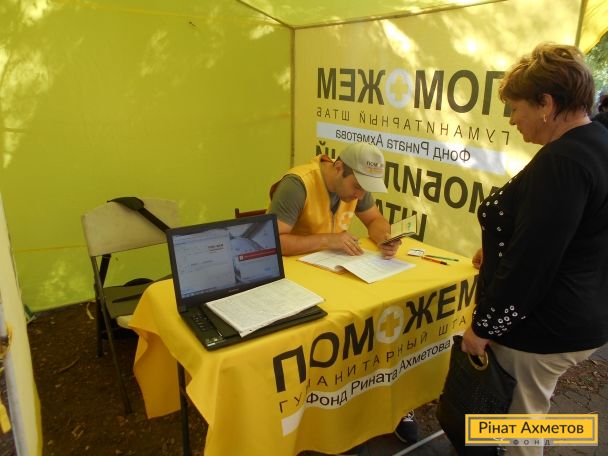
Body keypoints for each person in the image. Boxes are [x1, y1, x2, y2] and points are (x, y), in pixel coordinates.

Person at [462, 43, 608, 456]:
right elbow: (572, 234)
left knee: (520, 427)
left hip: (542, 327)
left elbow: (533, 263)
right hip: (581, 314)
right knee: (528, 414)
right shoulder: (596, 143)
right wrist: (497, 248)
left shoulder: (563, 161)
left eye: (515, 108)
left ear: (546, 103)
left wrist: (483, 328)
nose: (512, 120)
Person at [268, 142, 419, 451]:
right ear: (338, 168)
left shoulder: (357, 186)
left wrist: (385, 237)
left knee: (381, 315)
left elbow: (375, 220)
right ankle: (317, 415)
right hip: (298, 285)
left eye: (365, 189)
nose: (359, 195)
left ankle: (383, 401)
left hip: (338, 277)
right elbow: (272, 241)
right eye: (357, 186)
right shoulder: (297, 185)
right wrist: (328, 239)